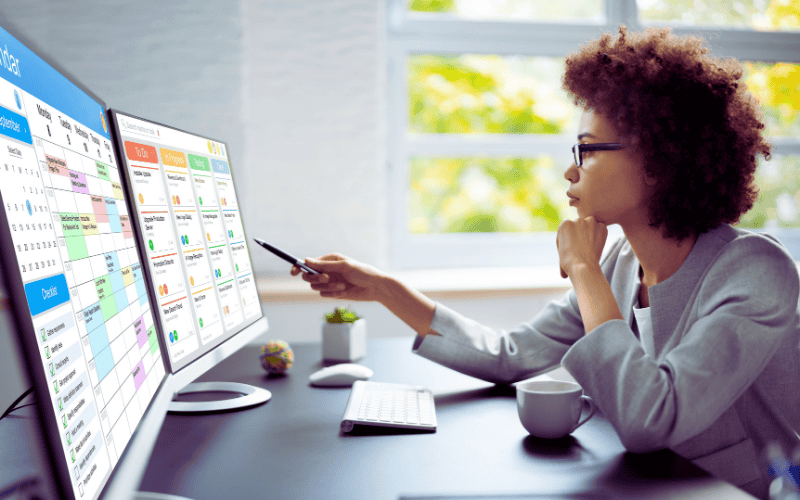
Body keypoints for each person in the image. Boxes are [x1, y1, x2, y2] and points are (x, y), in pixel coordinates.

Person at [291, 26, 800, 499]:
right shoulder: (624, 262)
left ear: (658, 162)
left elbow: (651, 419)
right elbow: (511, 355)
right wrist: (383, 288)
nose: (570, 172)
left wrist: (583, 270)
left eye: (587, 150)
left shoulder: (754, 271)